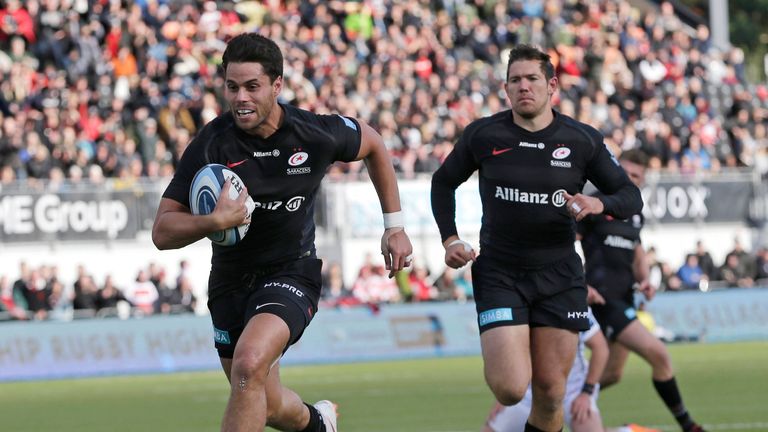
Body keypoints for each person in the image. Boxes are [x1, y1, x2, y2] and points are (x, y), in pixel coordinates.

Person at [152, 33, 413, 432]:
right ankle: (319, 423)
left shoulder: (313, 133)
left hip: (291, 273)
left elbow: (374, 144)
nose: (241, 97)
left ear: (277, 85)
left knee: (249, 363)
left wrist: (394, 227)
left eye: (252, 87)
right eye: (232, 87)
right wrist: (213, 222)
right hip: (229, 283)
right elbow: (162, 231)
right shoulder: (212, 143)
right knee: (267, 402)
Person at [430, 44, 642, 432]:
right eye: (515, 80)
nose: (523, 86)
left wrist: (598, 205)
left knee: (549, 392)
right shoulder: (484, 134)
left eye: (532, 79)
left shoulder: (582, 140)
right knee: (511, 388)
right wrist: (450, 240)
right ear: (506, 89)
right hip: (500, 273)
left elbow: (631, 195)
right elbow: (443, 182)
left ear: (552, 85)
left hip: (559, 274)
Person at [577, 149, 706, 432]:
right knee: (659, 354)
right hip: (602, 300)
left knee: (611, 374)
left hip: (625, 298)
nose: (630, 179)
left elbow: (636, 253)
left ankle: (560, 400)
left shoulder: (634, 213)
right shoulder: (593, 204)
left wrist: (645, 278)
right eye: (625, 172)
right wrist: (579, 284)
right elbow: (562, 245)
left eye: (636, 176)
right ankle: (688, 425)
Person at [482, 308, 613, 432]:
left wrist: (586, 393)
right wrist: (505, 397)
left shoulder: (573, 301)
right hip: (528, 395)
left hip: (574, 393)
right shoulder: (518, 306)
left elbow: (600, 349)